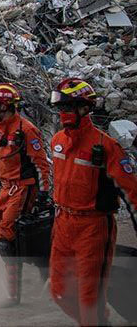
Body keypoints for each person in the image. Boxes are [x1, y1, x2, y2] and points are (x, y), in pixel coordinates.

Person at [48, 78, 137, 326]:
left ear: (84, 108)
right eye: (61, 108)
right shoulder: (57, 141)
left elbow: (131, 192)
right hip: (63, 224)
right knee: (60, 292)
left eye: (68, 107)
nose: (63, 113)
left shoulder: (106, 147)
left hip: (93, 228)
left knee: (89, 298)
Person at [0, 83, 51, 308]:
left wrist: (43, 194)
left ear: (4, 106)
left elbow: (41, 165)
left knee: (8, 230)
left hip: (24, 187)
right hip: (7, 188)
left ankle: (21, 288)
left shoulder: (26, 130)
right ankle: (22, 276)